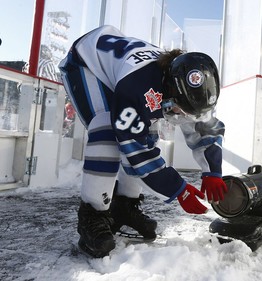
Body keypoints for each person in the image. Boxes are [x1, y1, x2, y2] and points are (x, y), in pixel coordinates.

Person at [58, 25, 228, 258]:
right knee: (107, 130)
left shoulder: (185, 83)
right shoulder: (139, 87)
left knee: (147, 133)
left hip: (119, 65)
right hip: (86, 63)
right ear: (166, 90)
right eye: (181, 109)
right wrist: (178, 189)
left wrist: (213, 172)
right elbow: (134, 150)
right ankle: (92, 215)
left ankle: (124, 206)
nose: (185, 116)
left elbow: (204, 127)